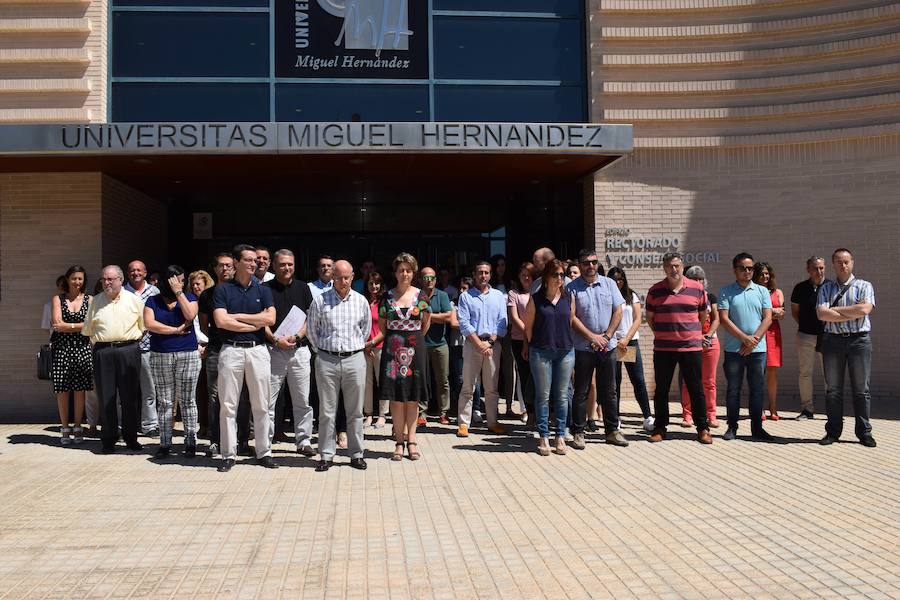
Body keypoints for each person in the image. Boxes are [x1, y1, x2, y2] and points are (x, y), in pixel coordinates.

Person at [212, 244, 278, 472]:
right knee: (228, 405)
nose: (254, 264)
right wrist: (254, 320)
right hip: (231, 351)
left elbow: (270, 319)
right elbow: (221, 321)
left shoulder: (263, 289)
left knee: (261, 403)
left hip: (258, 350)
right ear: (237, 262)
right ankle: (228, 455)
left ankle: (264, 452)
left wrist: (238, 317)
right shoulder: (223, 290)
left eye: (256, 260)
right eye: (249, 260)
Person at [306, 259, 371, 471]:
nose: (343, 281)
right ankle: (326, 454)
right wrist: (323, 352)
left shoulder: (361, 301)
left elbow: (365, 329)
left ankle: (356, 453)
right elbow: (312, 331)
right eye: (339, 277)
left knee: (355, 411)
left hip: (354, 359)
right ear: (332, 277)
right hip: (327, 359)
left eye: (347, 277)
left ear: (353, 276)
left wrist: (353, 350)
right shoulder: (320, 301)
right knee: (326, 410)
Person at [645, 253, 712, 444]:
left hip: (690, 348)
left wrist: (688, 334)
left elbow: (702, 316)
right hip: (664, 349)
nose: (673, 269)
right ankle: (660, 428)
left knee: (696, 388)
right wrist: (665, 334)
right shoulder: (655, 291)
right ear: (664, 268)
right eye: (669, 266)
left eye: (677, 266)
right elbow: (650, 319)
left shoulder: (697, 289)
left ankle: (703, 428)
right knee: (661, 390)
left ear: (682, 266)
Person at [369, 254, 431, 460]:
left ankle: (412, 441)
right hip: (392, 347)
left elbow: (426, 321)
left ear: (413, 273)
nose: (404, 273)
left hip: (415, 347)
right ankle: (398, 442)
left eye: (408, 270)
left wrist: (414, 338)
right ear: (395, 273)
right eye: (401, 270)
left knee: (412, 397)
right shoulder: (387, 296)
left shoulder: (421, 295)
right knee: (396, 397)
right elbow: (382, 326)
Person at [568, 250, 628, 449]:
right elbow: (572, 317)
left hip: (607, 346)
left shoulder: (609, 284)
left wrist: (607, 336)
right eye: (586, 263)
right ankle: (578, 432)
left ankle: (612, 431)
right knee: (581, 391)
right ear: (581, 264)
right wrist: (592, 337)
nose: (590, 266)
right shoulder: (572, 288)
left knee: (609, 390)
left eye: (593, 262)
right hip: (583, 347)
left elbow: (618, 310)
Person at [81, 265, 145, 453]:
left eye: (110, 279)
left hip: (128, 350)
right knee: (106, 397)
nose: (106, 283)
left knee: (129, 397)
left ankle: (131, 438)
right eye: (103, 279)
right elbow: (88, 330)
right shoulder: (96, 301)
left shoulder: (134, 300)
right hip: (103, 351)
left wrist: (128, 345)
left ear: (120, 280)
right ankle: (108, 439)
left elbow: (143, 327)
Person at [816, 248, 876, 447]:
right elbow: (822, 315)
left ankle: (864, 432)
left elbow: (865, 309)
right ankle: (833, 432)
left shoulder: (864, 286)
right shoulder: (826, 288)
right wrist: (853, 311)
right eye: (839, 262)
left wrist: (834, 310)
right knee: (833, 390)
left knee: (861, 390)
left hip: (859, 341)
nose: (843, 265)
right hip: (833, 341)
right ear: (833, 264)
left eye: (847, 262)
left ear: (853, 263)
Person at [144, 265, 201, 458]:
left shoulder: (190, 297)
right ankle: (165, 442)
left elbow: (190, 315)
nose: (182, 283)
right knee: (166, 401)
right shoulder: (152, 301)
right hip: (161, 354)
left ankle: (190, 441)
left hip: (187, 353)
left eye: (183, 281)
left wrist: (179, 293)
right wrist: (175, 331)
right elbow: (150, 324)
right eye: (178, 280)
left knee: (187, 400)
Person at [263, 249, 316, 457]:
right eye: (282, 264)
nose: (287, 268)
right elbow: (262, 321)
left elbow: (309, 318)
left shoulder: (303, 288)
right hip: (273, 350)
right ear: (274, 266)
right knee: (268, 401)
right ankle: (265, 444)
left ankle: (303, 441)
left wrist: (298, 337)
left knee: (302, 400)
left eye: (290, 264)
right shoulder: (264, 289)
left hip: (299, 351)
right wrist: (276, 339)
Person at [718, 252, 773, 441]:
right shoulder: (726, 291)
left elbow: (768, 317)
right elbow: (724, 319)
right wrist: (744, 338)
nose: (747, 271)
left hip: (758, 350)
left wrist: (754, 340)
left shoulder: (762, 291)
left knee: (757, 389)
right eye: (743, 268)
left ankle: (757, 428)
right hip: (735, 350)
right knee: (734, 389)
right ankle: (732, 427)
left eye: (750, 268)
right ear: (735, 270)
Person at [524, 259, 576, 456]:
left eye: (562, 275)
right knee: (543, 396)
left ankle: (560, 436)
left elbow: (570, 321)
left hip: (565, 352)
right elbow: (528, 328)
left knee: (562, 396)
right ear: (546, 277)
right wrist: (536, 344)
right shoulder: (535, 299)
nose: (560, 279)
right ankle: (544, 436)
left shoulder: (568, 297)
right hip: (541, 352)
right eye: (556, 275)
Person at [456, 261, 508, 437]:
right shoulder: (466, 296)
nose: (483, 276)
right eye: (480, 272)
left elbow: (503, 322)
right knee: (468, 386)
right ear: (474, 274)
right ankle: (464, 423)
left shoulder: (499, 296)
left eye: (486, 272)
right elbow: (464, 323)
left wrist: (490, 342)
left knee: (492, 388)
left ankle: (492, 422)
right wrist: (479, 344)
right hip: (472, 345)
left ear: (490, 275)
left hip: (493, 346)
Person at [607, 267, 654, 431]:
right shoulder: (607, 295)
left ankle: (647, 416)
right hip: (613, 343)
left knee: (638, 380)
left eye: (620, 279)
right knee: (615, 382)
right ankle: (616, 418)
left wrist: (626, 339)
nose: (617, 282)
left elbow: (637, 320)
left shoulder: (631, 295)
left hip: (628, 343)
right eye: (614, 279)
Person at [50, 265, 92, 445]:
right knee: (62, 389)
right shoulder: (57, 299)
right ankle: (65, 427)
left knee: (80, 388)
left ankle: (78, 427)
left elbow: (92, 324)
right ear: (67, 279)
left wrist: (70, 326)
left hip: (82, 347)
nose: (77, 282)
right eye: (74, 278)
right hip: (62, 348)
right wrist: (80, 326)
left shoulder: (90, 299)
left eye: (80, 279)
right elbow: (57, 324)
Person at [198, 252, 234, 457]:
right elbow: (204, 325)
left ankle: (240, 439)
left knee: (239, 395)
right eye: (221, 266)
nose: (225, 269)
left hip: (238, 347)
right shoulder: (207, 295)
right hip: (216, 349)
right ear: (215, 269)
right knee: (214, 396)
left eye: (229, 265)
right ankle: (215, 439)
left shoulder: (240, 292)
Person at [679, 266, 720, 428]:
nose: (698, 281)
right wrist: (696, 336)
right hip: (691, 343)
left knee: (709, 382)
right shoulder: (683, 297)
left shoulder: (711, 297)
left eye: (700, 278)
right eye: (694, 279)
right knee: (689, 381)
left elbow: (716, 319)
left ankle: (711, 415)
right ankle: (687, 415)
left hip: (711, 342)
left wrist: (708, 335)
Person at [124, 259, 161, 437]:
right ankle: (126, 426)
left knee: (149, 389)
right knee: (125, 390)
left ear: (145, 273)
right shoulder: (121, 292)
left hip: (149, 347)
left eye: (139, 270)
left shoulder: (155, 292)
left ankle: (150, 425)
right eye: (132, 270)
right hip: (127, 347)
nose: (136, 273)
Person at [790, 256, 829, 420]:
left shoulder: (832, 286)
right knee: (805, 373)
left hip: (827, 337)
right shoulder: (800, 288)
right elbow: (795, 312)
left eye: (821, 268)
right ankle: (807, 409)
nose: (818, 271)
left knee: (830, 374)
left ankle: (832, 411)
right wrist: (806, 326)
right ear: (808, 270)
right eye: (815, 268)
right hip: (805, 335)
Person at [421, 266, 453, 425]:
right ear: (421, 280)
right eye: (426, 278)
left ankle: (444, 412)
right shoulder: (416, 295)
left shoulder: (442, 295)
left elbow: (448, 316)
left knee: (443, 380)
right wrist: (436, 317)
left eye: (432, 277)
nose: (429, 280)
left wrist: (427, 315)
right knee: (422, 380)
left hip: (440, 344)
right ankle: (421, 412)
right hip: (421, 344)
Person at [753, 262, 784, 420]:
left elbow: (782, 313)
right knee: (758, 372)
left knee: (772, 372)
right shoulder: (752, 291)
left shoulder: (777, 292)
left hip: (773, 333)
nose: (765, 276)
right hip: (758, 331)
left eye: (767, 273)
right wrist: (772, 311)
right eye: (761, 273)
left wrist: (771, 313)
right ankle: (759, 408)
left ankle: (773, 407)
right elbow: (756, 311)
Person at [507, 262, 534, 425]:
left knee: (538, 377)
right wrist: (528, 333)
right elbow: (514, 318)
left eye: (529, 274)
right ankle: (528, 411)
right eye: (523, 274)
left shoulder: (539, 292)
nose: (526, 277)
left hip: (538, 341)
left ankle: (541, 412)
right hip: (518, 341)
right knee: (524, 376)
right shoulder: (513, 294)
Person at [188, 269, 213, 437]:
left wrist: (207, 345)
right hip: (193, 348)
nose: (196, 287)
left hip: (210, 347)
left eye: (199, 284)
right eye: (193, 284)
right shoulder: (188, 302)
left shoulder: (212, 300)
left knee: (212, 390)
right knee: (199, 391)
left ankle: (212, 425)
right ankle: (202, 425)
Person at [363, 272, 387, 428]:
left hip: (380, 346)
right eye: (371, 283)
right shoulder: (362, 301)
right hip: (364, 347)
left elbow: (386, 327)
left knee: (382, 382)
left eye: (377, 283)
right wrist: (365, 344)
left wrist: (371, 342)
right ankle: (369, 414)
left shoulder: (384, 302)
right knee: (366, 383)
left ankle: (383, 415)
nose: (374, 286)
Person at [448, 276, 472, 418]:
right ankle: (458, 407)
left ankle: (475, 408)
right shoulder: (453, 303)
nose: (462, 291)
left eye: (465, 288)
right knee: (458, 377)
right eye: (460, 288)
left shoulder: (473, 303)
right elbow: (453, 323)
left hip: (471, 343)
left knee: (473, 379)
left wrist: (465, 325)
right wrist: (469, 325)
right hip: (457, 344)